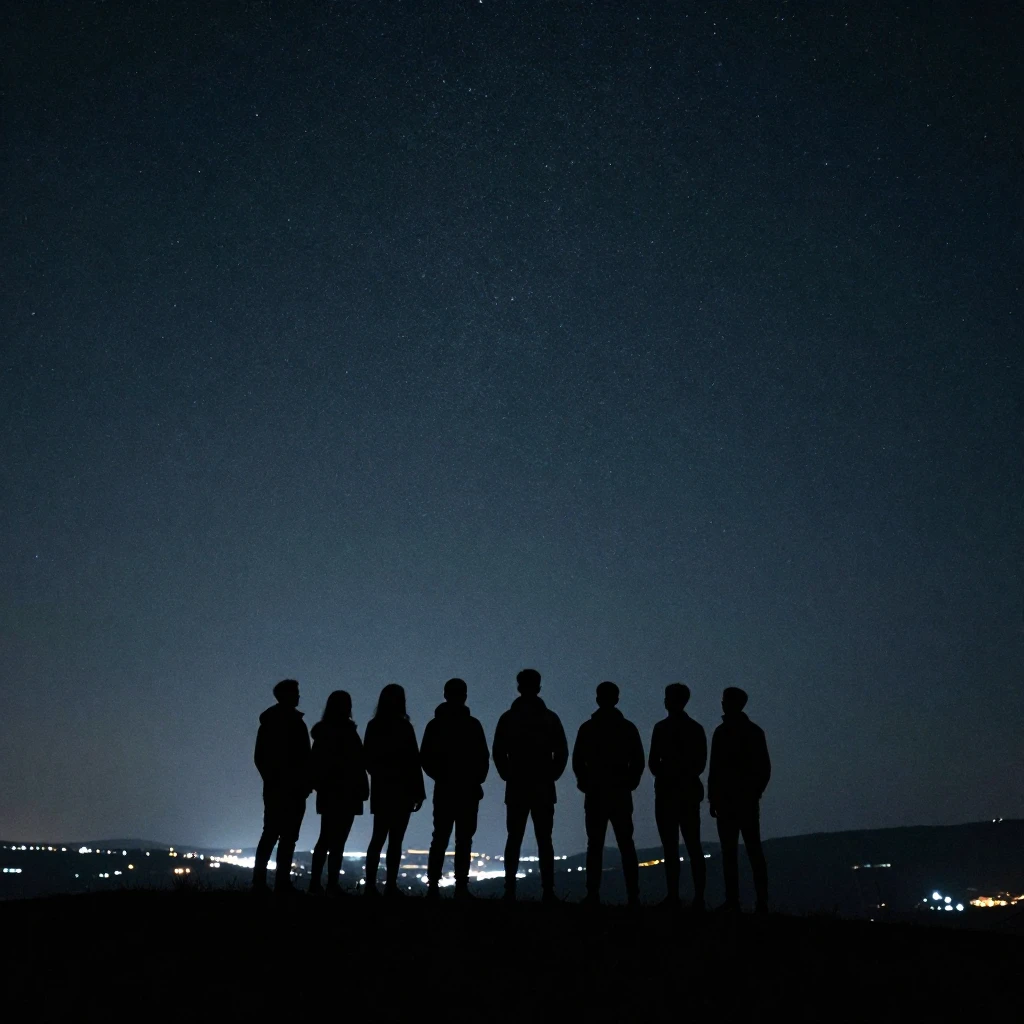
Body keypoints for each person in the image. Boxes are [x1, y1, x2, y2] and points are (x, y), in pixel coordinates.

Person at [492, 668, 568, 902]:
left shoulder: (508, 718)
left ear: (519, 687)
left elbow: (498, 751)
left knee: (514, 838)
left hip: (517, 786)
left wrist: (508, 774)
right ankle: (547, 890)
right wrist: (551, 775)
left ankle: (510, 890)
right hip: (542, 786)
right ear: (538, 687)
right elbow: (562, 752)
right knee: (544, 839)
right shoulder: (550, 718)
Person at [572, 681, 645, 906]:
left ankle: (593, 894)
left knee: (595, 845)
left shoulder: (588, 728)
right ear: (617, 699)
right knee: (626, 844)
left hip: (596, 792)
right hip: (619, 792)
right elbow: (639, 761)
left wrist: (585, 782)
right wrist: (629, 783)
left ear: (597, 699)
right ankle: (633, 896)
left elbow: (577, 761)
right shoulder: (627, 728)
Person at [420, 678, 490, 900]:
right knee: (463, 839)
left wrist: (442, 776)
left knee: (440, 837)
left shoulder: (436, 725)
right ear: (465, 696)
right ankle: (460, 886)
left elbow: (425, 758)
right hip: (467, 789)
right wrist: (476, 779)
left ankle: (434, 887)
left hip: (445, 789)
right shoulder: (472, 725)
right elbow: (483, 757)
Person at [708, 687, 771, 913]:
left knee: (731, 853)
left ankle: (734, 901)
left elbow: (715, 769)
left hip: (730, 800)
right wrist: (754, 792)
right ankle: (760, 902)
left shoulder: (722, 732)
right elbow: (764, 769)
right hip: (743, 801)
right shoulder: (753, 731)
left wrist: (713, 797)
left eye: (725, 700)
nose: (722, 703)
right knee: (752, 851)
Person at [648, 682, 708, 909]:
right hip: (686, 792)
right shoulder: (695, 728)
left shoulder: (661, 728)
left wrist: (667, 774)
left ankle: (674, 896)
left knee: (672, 847)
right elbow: (700, 764)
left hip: (667, 793)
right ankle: (697, 897)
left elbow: (653, 762)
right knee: (692, 846)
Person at [362, 684, 425, 896]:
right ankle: (389, 885)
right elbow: (414, 761)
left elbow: (368, 759)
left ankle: (372, 885)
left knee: (378, 837)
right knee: (395, 840)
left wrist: (381, 774)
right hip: (403, 789)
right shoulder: (404, 727)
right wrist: (418, 792)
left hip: (383, 789)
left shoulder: (374, 726)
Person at [252, 678, 311, 894]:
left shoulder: (271, 723)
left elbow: (261, 758)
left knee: (274, 835)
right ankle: (277, 883)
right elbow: (305, 757)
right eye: (295, 692)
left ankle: (264, 882)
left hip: (282, 788)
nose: (298, 696)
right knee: (283, 837)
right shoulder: (291, 723)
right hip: (288, 788)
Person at [308, 690, 369, 895]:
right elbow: (359, 762)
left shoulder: (324, 732)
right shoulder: (349, 732)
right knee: (337, 841)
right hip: (347, 792)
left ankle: (316, 883)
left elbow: (316, 763)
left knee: (325, 838)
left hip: (330, 792)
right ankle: (330, 884)